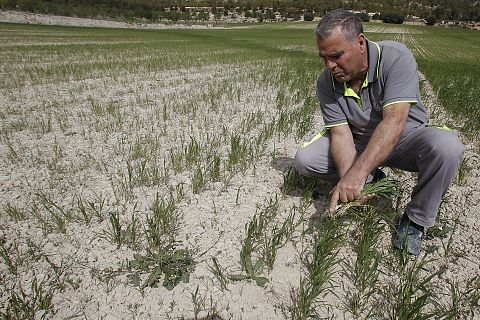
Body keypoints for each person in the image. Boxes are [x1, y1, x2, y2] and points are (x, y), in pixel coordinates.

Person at [294, 10, 464, 255]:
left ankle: (415, 220)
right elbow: (341, 136)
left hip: (404, 139)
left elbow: (394, 120)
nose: (329, 65)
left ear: (360, 43)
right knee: (306, 159)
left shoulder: (395, 58)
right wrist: (350, 178)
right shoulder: (326, 83)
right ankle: (374, 182)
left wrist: (358, 173)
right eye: (324, 57)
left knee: (448, 147)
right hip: (359, 143)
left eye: (336, 56)